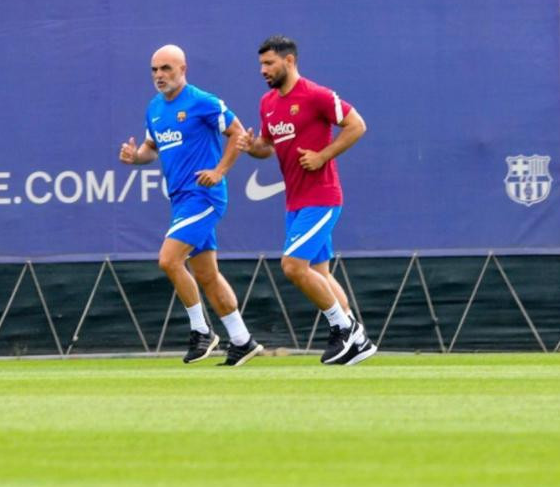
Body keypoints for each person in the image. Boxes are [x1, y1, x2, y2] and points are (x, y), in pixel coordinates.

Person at [119, 44, 264, 366]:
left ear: (183, 69)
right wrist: (135, 158)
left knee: (169, 260)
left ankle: (202, 331)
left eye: (166, 68)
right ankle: (242, 340)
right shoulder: (154, 108)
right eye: (155, 70)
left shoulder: (202, 102)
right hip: (181, 200)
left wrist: (220, 171)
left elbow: (237, 133)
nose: (159, 75)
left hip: (204, 196)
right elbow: (150, 149)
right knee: (207, 275)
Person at [236, 35, 377, 365]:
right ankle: (359, 341)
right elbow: (267, 147)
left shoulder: (316, 95)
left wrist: (322, 156)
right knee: (320, 273)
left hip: (322, 197)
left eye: (269, 63)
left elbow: (357, 126)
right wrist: (251, 146)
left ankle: (343, 328)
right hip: (295, 202)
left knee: (292, 266)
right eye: (261, 65)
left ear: (289, 61)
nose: (263, 70)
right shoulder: (267, 103)